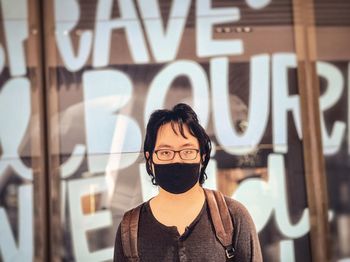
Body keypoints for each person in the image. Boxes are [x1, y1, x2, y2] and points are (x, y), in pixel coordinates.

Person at [113, 103, 262, 261]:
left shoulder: (234, 217)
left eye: (187, 151)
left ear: (202, 157)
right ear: (150, 160)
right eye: (165, 152)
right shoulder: (129, 230)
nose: (177, 159)